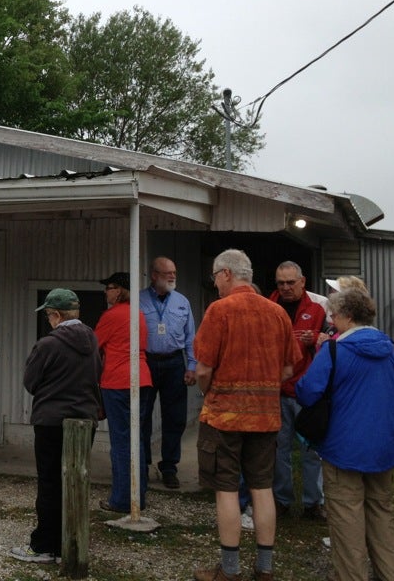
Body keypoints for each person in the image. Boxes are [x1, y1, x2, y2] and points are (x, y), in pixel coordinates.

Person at [193, 249, 300, 581]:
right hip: (266, 416)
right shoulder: (278, 313)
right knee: (262, 487)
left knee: (226, 488)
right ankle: (264, 569)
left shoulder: (219, 310)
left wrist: (208, 391)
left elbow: (203, 369)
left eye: (215, 278)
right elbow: (287, 367)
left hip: (224, 416)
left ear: (226, 274)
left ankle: (229, 571)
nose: (215, 285)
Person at [296, 288, 394, 581]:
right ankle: (388, 574)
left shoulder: (335, 349)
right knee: (381, 515)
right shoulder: (388, 348)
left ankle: (351, 576)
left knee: (347, 520)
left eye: (334, 314)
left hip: (344, 447)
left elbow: (307, 392)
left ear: (347, 316)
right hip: (384, 446)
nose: (331, 320)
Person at [10, 288, 102, 564]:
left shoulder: (47, 344)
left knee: (50, 483)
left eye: (49, 315)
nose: (48, 319)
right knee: (76, 480)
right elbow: (98, 373)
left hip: (51, 420)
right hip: (85, 420)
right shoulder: (92, 339)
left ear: (57, 315)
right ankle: (71, 541)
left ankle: (44, 545)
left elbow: (31, 382)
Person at [269, 260, 327, 519]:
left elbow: (333, 341)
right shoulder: (267, 307)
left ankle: (313, 503)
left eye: (291, 282)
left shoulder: (318, 308)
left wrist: (315, 338)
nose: (286, 288)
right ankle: (281, 499)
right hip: (276, 391)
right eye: (281, 283)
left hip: (306, 392)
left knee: (311, 451)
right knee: (278, 449)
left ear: (302, 282)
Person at [95, 271, 152, 512]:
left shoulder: (111, 315)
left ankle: (121, 500)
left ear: (118, 290)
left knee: (120, 441)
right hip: (142, 379)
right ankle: (138, 494)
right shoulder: (138, 313)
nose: (106, 292)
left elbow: (93, 346)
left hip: (118, 381)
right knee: (136, 440)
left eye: (109, 287)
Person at [139, 256, 196, 489]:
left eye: (174, 273)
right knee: (142, 415)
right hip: (147, 362)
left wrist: (192, 365)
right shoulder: (139, 300)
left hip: (174, 363)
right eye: (167, 273)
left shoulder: (182, 301)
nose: (172, 277)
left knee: (175, 417)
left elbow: (191, 337)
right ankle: (142, 465)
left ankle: (169, 466)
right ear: (154, 275)